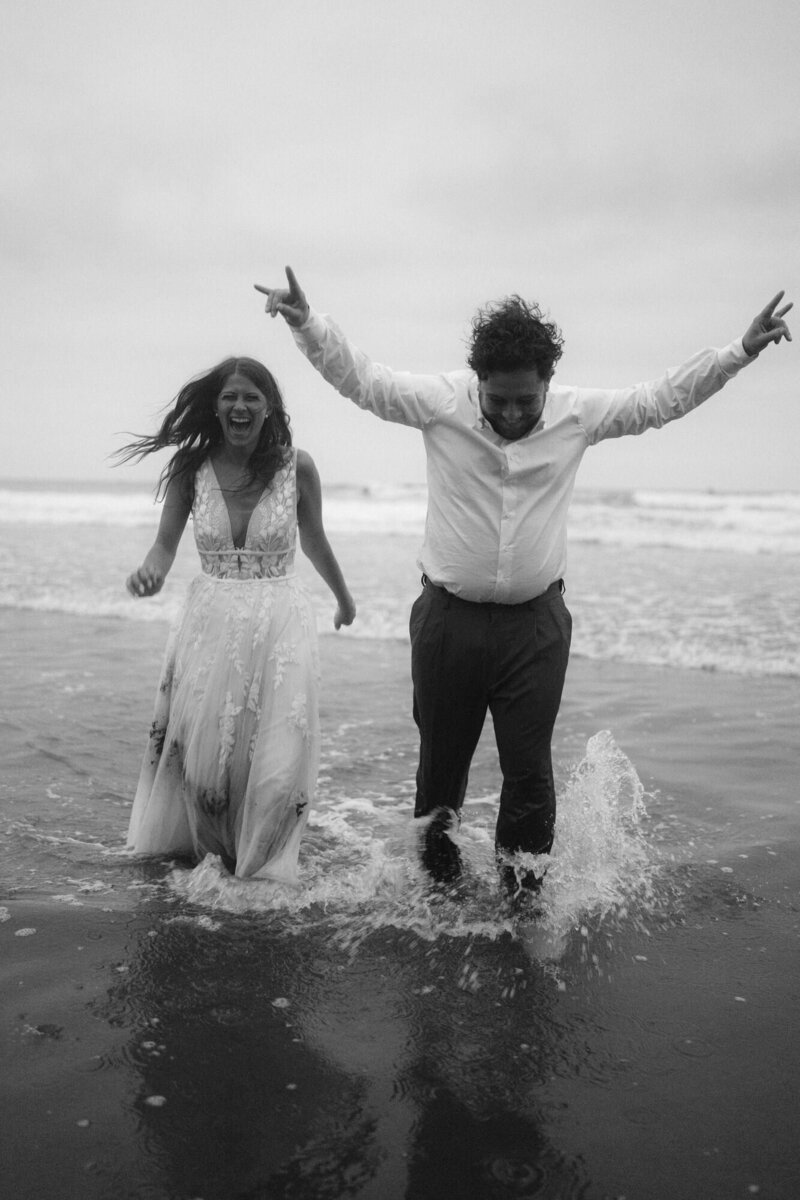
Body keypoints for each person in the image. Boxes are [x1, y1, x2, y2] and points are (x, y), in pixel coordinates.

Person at [255, 269, 792, 902]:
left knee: (530, 774)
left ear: (547, 384)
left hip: (535, 627)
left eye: (525, 402)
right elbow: (363, 381)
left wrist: (739, 351)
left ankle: (522, 901)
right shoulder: (440, 403)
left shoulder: (576, 415)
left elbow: (660, 400)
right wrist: (307, 324)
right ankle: (438, 900)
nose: (511, 414)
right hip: (447, 622)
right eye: (498, 400)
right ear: (477, 382)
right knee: (440, 772)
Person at [118, 354, 356, 881]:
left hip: (280, 624)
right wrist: (150, 572)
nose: (240, 406)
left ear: (269, 407)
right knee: (209, 765)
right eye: (230, 397)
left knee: (277, 762)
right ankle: (212, 868)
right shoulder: (190, 468)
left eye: (252, 397)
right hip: (211, 623)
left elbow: (314, 539)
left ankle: (263, 872)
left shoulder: (298, 466)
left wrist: (344, 598)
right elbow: (163, 546)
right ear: (216, 406)